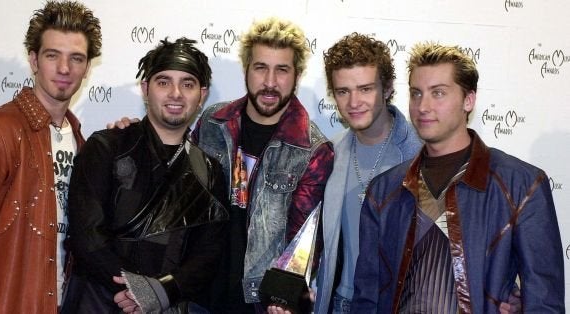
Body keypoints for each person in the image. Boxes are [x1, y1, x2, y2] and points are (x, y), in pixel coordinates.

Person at [351, 42, 564, 312]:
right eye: (416, 94)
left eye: (438, 93)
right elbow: (366, 298)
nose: (423, 106)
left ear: (469, 100)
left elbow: (544, 302)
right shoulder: (383, 190)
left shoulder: (522, 185)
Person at [0, 1, 101, 312]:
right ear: (33, 60)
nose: (64, 68)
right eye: (52, 55)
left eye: (76, 58)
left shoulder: (81, 139)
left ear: (87, 67)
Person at [61, 37, 229, 314]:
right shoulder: (106, 148)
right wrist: (136, 291)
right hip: (98, 303)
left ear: (202, 94)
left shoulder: (209, 173)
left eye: (187, 84)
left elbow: (208, 256)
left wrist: (163, 291)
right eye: (164, 82)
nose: (176, 93)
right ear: (145, 88)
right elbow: (87, 235)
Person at [190, 17, 335, 313]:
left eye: (282, 69)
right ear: (246, 69)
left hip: (260, 302)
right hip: (199, 293)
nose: (270, 82)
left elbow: (303, 242)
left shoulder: (313, 150)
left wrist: (283, 299)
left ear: (297, 75)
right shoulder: (212, 122)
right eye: (261, 68)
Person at [313, 33, 422, 314]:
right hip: (337, 304)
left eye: (365, 89)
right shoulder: (330, 152)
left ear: (386, 89)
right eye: (343, 91)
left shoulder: (418, 153)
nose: (353, 102)